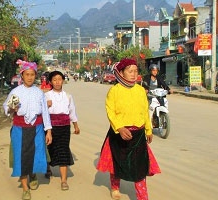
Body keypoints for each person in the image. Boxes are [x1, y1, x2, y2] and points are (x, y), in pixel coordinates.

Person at [96, 58, 161, 200]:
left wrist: (148, 130)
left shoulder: (140, 91)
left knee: (140, 167)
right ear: (121, 73)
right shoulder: (114, 91)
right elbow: (110, 111)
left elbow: (145, 111)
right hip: (119, 133)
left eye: (136, 71)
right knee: (117, 162)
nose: (133, 74)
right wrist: (119, 128)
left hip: (138, 135)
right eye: (129, 71)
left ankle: (142, 196)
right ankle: (115, 188)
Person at [3, 59, 52, 200]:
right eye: (27, 74)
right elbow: (6, 108)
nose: (30, 77)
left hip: (36, 128)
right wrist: (11, 108)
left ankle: (33, 174)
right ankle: (25, 187)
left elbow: (45, 113)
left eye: (32, 74)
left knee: (36, 154)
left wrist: (48, 131)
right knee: (21, 156)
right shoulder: (16, 92)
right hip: (19, 129)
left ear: (35, 75)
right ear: (22, 76)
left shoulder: (39, 93)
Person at [44, 71, 80, 190]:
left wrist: (75, 125)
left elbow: (72, 112)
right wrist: (46, 105)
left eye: (59, 79)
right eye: (54, 80)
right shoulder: (46, 96)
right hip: (51, 127)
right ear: (50, 82)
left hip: (64, 127)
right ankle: (48, 168)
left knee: (63, 150)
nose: (57, 82)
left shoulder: (68, 96)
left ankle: (63, 180)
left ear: (63, 80)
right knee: (50, 148)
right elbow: (42, 112)